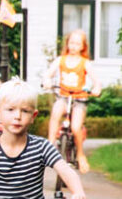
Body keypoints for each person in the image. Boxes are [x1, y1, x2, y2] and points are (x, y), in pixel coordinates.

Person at [43, 29, 101, 173]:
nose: (74, 46)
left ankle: (80, 154)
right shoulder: (61, 60)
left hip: (79, 98)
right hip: (64, 97)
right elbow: (48, 74)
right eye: (72, 43)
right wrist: (47, 81)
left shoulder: (85, 63)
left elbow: (96, 81)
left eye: (77, 44)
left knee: (75, 127)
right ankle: (50, 146)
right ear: (67, 43)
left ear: (83, 46)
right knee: (55, 113)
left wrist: (96, 88)